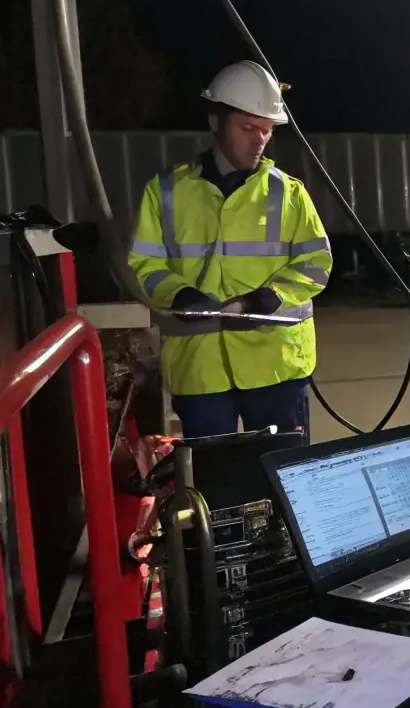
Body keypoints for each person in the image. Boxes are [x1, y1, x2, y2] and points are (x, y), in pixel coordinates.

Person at [128, 60, 331, 441]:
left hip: (275, 366)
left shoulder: (288, 193)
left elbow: (316, 262)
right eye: (247, 128)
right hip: (200, 370)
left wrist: (273, 296)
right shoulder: (165, 191)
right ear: (215, 122)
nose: (258, 141)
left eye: (267, 131)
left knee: (282, 482)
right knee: (213, 487)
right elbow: (145, 264)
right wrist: (178, 293)